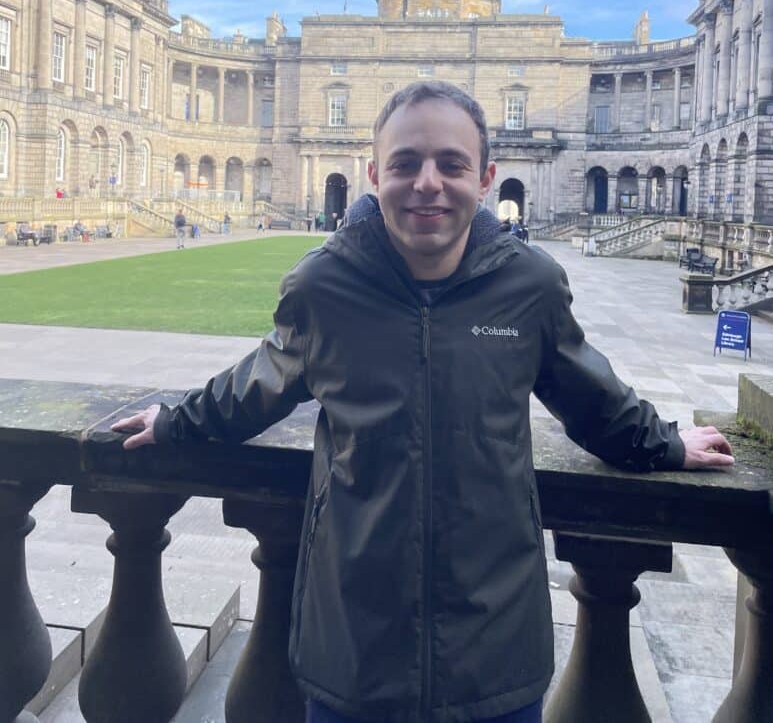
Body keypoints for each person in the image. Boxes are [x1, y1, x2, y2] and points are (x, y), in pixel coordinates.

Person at [113, 81, 733, 723]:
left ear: (486, 177)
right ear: (376, 173)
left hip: (494, 652)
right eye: (406, 163)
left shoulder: (530, 286)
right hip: (352, 648)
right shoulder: (325, 285)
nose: (427, 183)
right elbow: (256, 384)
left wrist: (664, 444)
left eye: (451, 163)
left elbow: (591, 397)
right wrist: (175, 422)